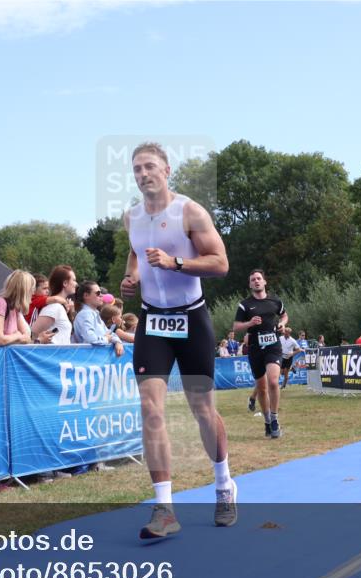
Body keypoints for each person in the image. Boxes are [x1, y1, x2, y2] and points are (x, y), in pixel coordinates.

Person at [120, 141, 233, 539]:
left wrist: (176, 263)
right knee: (151, 408)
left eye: (149, 167)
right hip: (152, 321)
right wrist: (131, 278)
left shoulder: (189, 211)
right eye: (136, 169)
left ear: (167, 171)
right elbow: (135, 256)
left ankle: (223, 484)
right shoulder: (130, 218)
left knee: (203, 412)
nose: (142, 174)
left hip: (191, 317)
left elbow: (220, 263)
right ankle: (165, 508)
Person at [234, 269, 287, 437]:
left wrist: (282, 323)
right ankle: (266, 421)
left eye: (259, 278)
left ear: (265, 282)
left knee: (273, 381)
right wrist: (249, 323)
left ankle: (275, 419)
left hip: (273, 346)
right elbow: (236, 327)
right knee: (262, 389)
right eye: (253, 280)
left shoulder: (275, 301)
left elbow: (285, 316)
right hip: (256, 349)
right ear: (250, 284)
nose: (256, 281)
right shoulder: (245, 305)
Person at [71, 281, 124, 357]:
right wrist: (106, 339)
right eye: (98, 293)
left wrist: (118, 342)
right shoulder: (85, 314)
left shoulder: (94, 313)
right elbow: (90, 339)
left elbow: (109, 333)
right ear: (86, 295)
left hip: (94, 359)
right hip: (88, 359)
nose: (101, 296)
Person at [31, 265, 75, 345]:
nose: (76, 284)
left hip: (59, 356)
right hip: (50, 356)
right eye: (74, 280)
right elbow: (33, 334)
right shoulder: (54, 307)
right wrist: (39, 341)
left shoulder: (58, 307)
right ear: (65, 283)